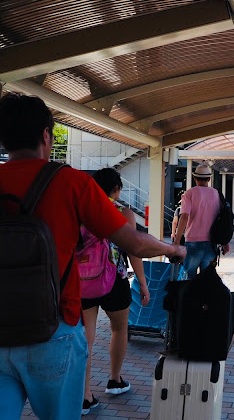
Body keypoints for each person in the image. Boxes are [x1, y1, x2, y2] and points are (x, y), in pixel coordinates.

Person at [0, 92, 186, 420]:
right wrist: (174, 248)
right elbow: (135, 244)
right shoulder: (70, 182)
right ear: (46, 135)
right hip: (53, 330)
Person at [79, 168, 151, 415]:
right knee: (119, 328)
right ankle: (114, 379)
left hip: (85, 280)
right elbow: (133, 251)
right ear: (117, 189)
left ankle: (85, 396)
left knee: (86, 339)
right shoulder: (123, 213)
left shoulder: (82, 211)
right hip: (115, 279)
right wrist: (142, 282)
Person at [172, 164, 230, 279]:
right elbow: (222, 220)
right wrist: (225, 242)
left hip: (193, 243)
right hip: (211, 242)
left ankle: (192, 297)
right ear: (209, 179)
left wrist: (177, 241)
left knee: (190, 277)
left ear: (194, 178)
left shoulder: (189, 194)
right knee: (207, 279)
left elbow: (184, 217)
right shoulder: (216, 194)